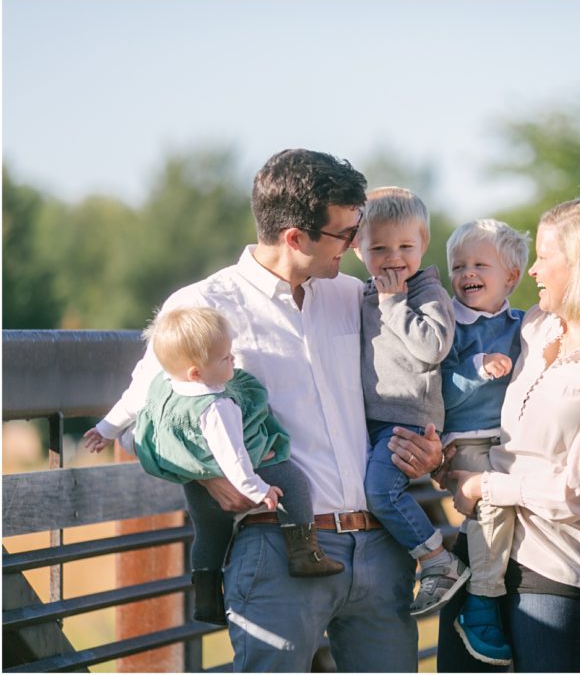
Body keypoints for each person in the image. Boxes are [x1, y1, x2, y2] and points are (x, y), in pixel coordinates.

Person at [84, 149, 442, 672]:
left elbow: (408, 381)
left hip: (379, 546)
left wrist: (427, 447)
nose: (356, 245)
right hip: (275, 548)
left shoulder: (357, 296)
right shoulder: (204, 306)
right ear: (295, 237)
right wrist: (207, 474)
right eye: (345, 234)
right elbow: (142, 424)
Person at [402, 198, 580, 672]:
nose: (533, 271)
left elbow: (575, 493)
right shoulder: (535, 328)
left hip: (555, 570)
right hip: (479, 553)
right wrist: (444, 459)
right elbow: (472, 405)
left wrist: (483, 486)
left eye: (545, 257)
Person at [83, 306, 343, 626]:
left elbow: (130, 405)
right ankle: (304, 552)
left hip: (195, 479)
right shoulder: (218, 407)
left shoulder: (162, 383)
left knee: (209, 531)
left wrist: (105, 430)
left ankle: (206, 596)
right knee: (294, 482)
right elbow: (234, 458)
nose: (233, 360)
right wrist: (258, 489)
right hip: (240, 471)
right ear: (196, 373)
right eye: (225, 358)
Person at [354, 186, 469, 616]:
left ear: (423, 243)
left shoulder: (426, 292)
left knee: (380, 491)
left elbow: (431, 347)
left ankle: (437, 559)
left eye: (405, 245)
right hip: (372, 418)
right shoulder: (362, 295)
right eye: (379, 247)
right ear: (357, 249)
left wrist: (393, 302)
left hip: (406, 420)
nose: (393, 257)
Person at [439, 219, 530, 665]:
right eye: (458, 266)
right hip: (466, 440)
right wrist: (475, 369)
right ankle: (480, 602)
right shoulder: (451, 328)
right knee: (492, 504)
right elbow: (440, 395)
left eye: (479, 264)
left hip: (514, 438)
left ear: (511, 277)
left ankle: (552, 609)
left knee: (538, 501)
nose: (466, 273)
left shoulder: (525, 326)